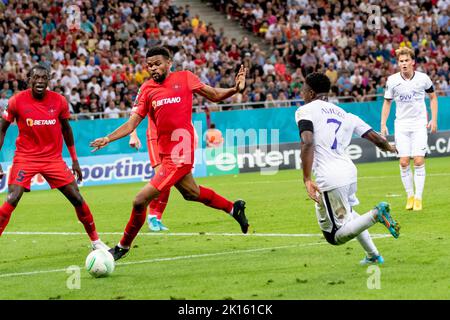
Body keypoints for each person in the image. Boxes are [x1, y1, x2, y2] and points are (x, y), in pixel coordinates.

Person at [90, 47, 249, 261]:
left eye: (157, 63)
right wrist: (108, 139)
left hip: (181, 152)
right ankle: (233, 208)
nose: (153, 68)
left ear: (169, 63)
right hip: (165, 153)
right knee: (191, 192)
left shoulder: (185, 78)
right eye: (149, 65)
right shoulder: (146, 89)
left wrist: (234, 89)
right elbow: (132, 123)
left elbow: (213, 95)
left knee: (139, 201)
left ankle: (122, 246)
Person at [0, 65, 108, 251]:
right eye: (36, 77)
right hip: (26, 157)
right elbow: (1, 130)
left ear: (49, 80)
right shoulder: (16, 101)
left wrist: (74, 160)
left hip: (53, 159)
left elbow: (66, 129)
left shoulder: (59, 101)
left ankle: (96, 241)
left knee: (77, 198)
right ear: (29, 80)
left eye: (44, 77)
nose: (40, 81)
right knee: (12, 197)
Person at [296, 72, 400, 265]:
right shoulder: (345, 114)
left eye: (303, 89)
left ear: (310, 92)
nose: (302, 92)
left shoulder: (305, 110)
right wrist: (393, 148)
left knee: (334, 237)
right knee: (350, 213)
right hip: (348, 171)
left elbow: (307, 141)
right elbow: (376, 138)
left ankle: (376, 214)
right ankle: (373, 255)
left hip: (330, 177)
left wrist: (306, 179)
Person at [380, 47, 438, 211]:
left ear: (413, 62)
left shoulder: (423, 79)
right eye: (401, 61)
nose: (404, 63)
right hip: (401, 125)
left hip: (419, 123)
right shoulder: (392, 81)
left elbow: (433, 97)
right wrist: (383, 124)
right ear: (398, 63)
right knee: (404, 162)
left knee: (419, 160)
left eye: (406, 60)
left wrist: (434, 119)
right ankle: (410, 196)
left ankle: (418, 198)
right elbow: (387, 102)